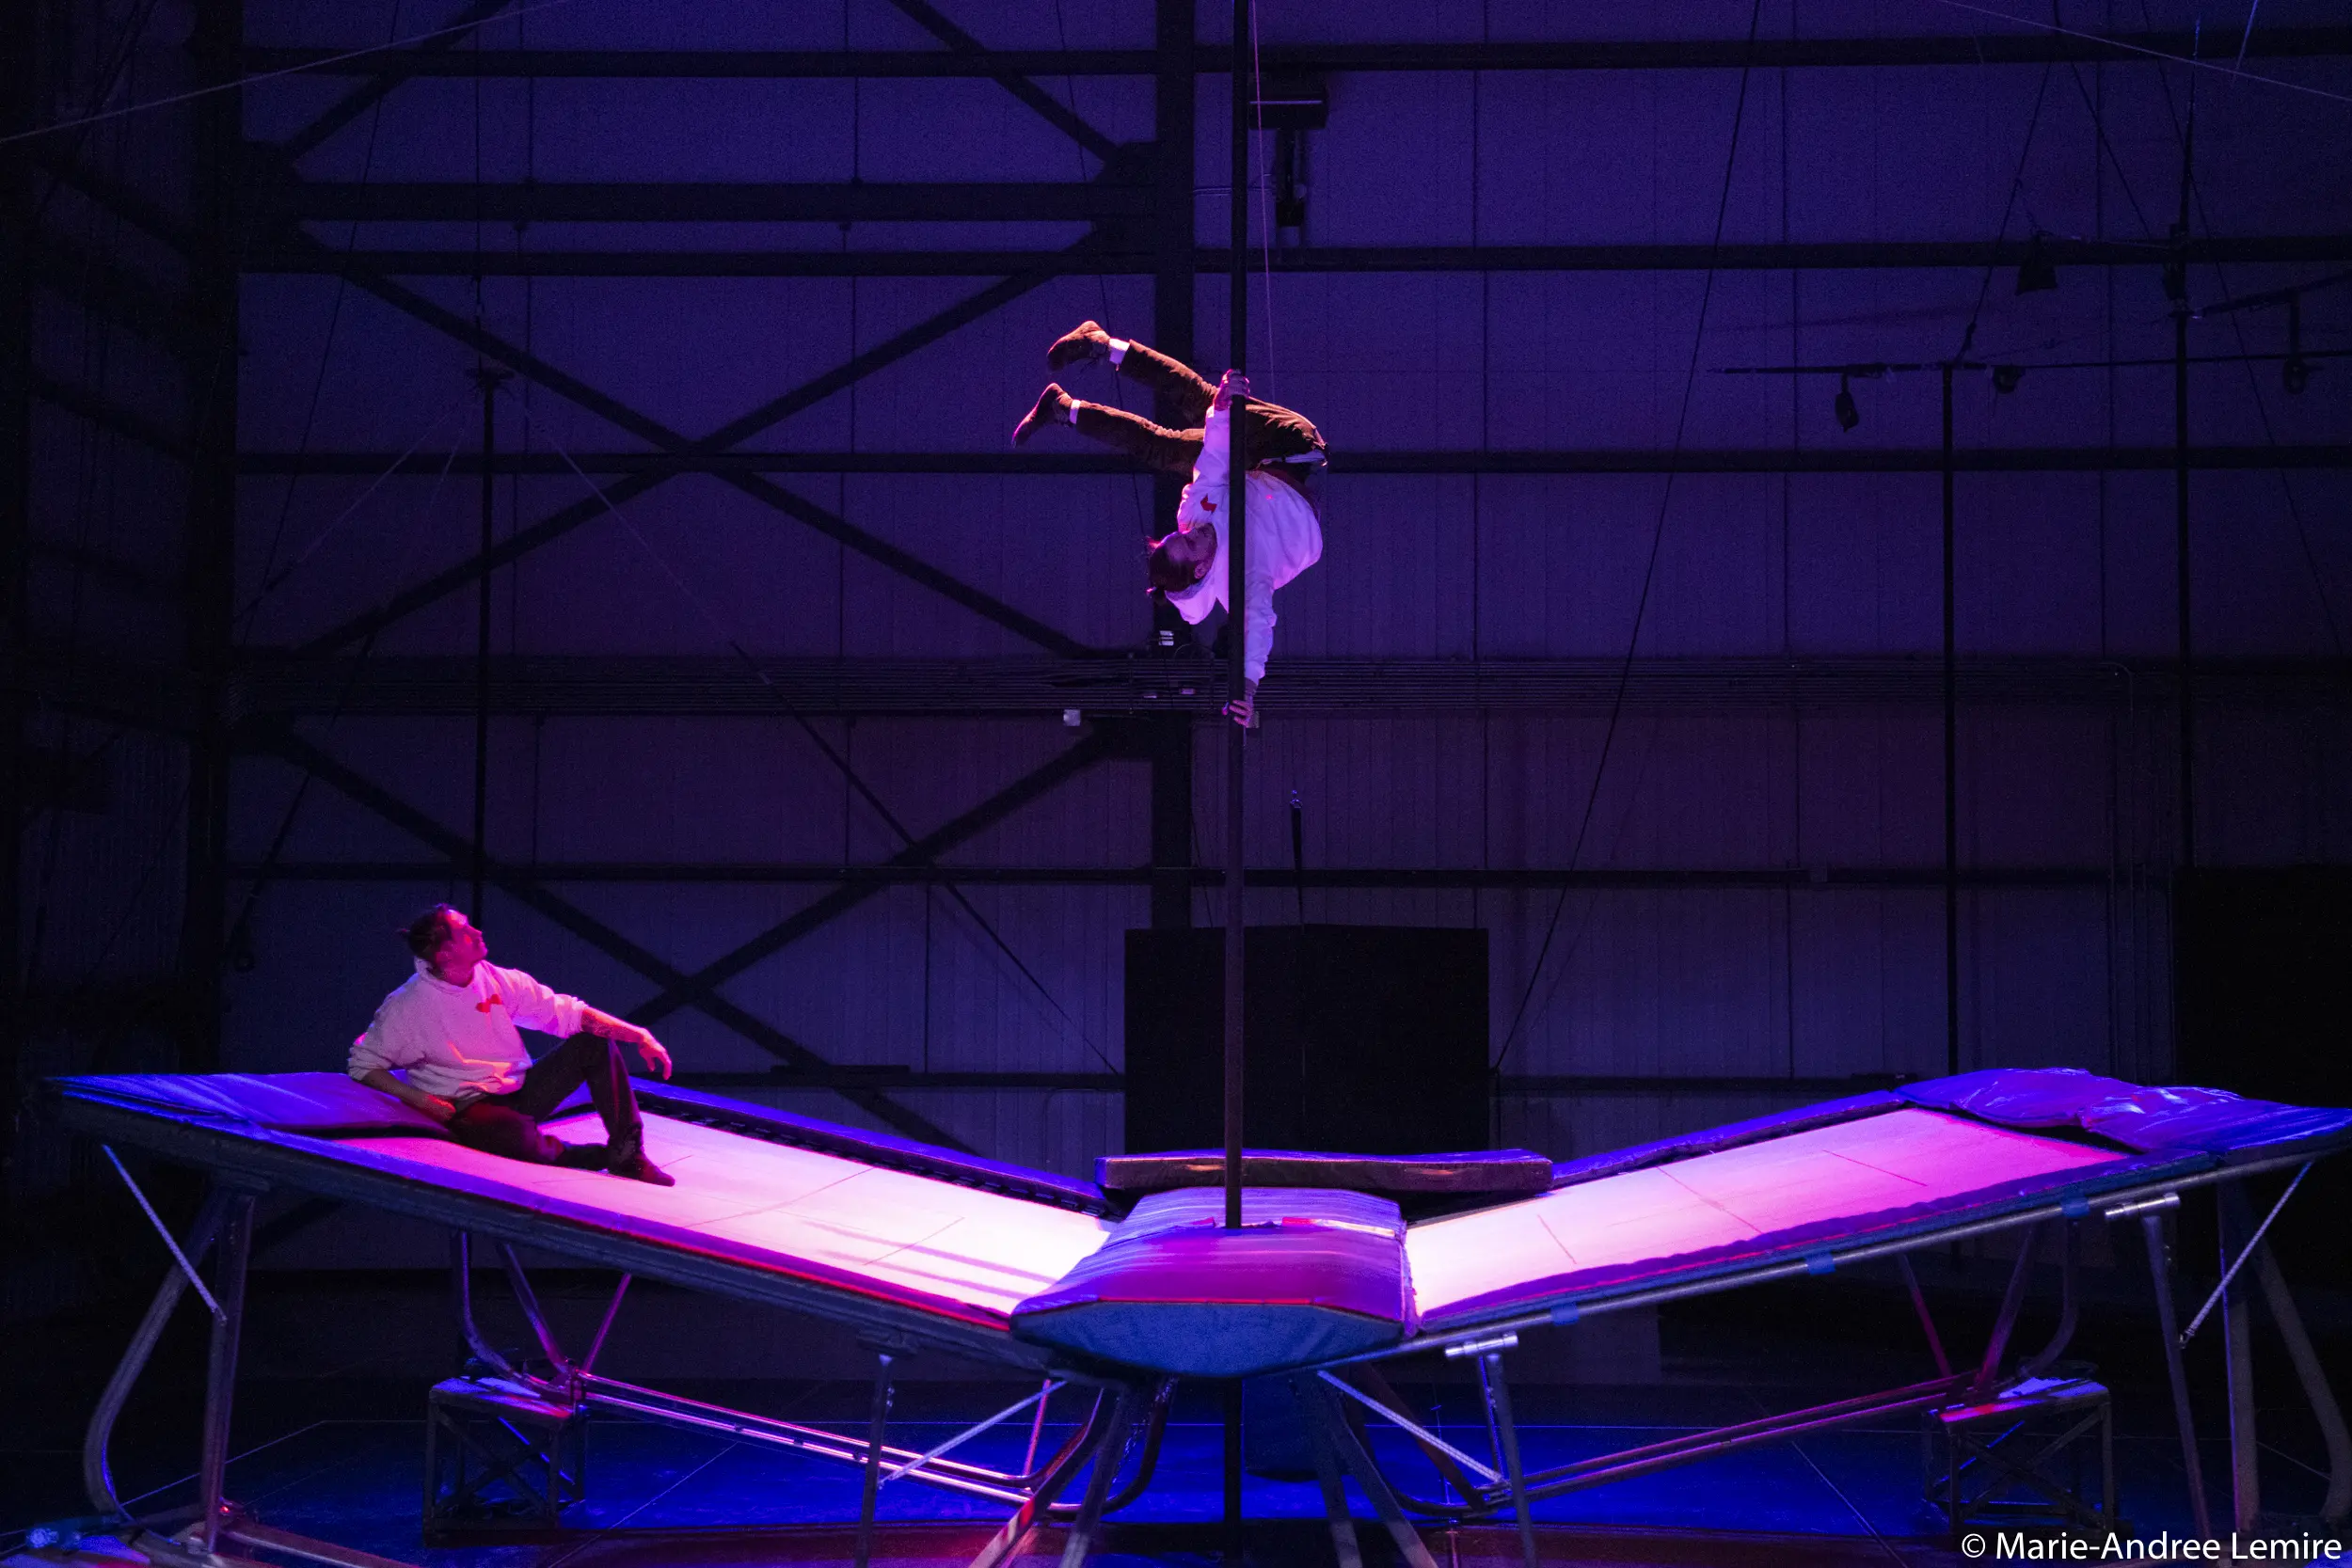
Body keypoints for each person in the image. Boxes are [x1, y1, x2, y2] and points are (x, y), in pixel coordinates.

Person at [1013, 322, 1325, 726]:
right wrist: (1247, 690)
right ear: (1201, 568)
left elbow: (1214, 462)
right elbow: (1258, 627)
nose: (1193, 530)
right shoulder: (1241, 577)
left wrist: (1221, 413)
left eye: (1182, 535)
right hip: (1296, 456)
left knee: (1178, 433)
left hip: (1256, 469)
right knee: (1203, 403)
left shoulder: (1193, 518)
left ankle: (1072, 396)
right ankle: (1082, 378)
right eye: (1191, 543)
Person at [348, 905, 676, 1186]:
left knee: (593, 1044)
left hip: (517, 1091)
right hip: (468, 1104)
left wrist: (639, 1035)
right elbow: (363, 1064)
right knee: (510, 1134)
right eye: (465, 932)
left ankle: (627, 1154)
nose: (477, 932)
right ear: (445, 953)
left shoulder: (494, 979)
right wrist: (420, 1099)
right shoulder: (409, 1006)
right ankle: (592, 1156)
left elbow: (567, 1013)